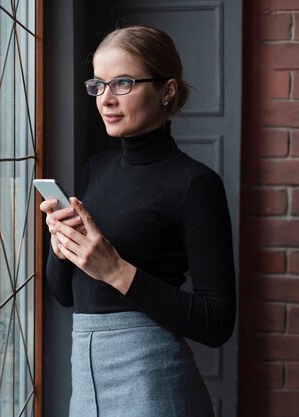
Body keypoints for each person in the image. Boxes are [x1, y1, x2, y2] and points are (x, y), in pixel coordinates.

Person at [40, 25, 236, 417]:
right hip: (85, 378)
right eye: (98, 85)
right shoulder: (96, 169)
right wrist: (61, 247)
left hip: (155, 385)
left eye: (123, 83)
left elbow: (217, 323)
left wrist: (115, 270)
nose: (106, 100)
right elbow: (66, 295)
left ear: (167, 90)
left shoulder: (196, 184)